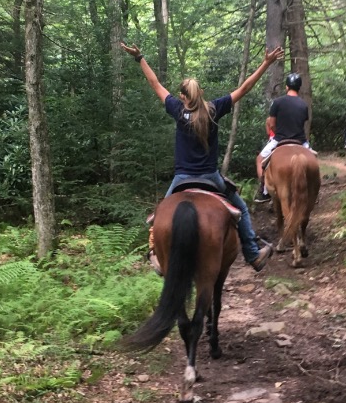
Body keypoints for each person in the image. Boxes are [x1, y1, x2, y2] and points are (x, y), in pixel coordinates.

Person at [120, 41, 285, 272]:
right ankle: (252, 254)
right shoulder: (214, 109)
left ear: (182, 96)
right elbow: (245, 87)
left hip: (181, 179)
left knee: (159, 216)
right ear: (202, 93)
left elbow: (154, 83)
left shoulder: (177, 110)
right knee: (243, 210)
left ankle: (156, 253)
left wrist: (139, 58)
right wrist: (266, 63)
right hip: (211, 177)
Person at [254, 72, 311, 203]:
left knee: (260, 159)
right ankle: (312, 190)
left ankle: (264, 190)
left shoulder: (277, 102)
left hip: (280, 139)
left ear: (286, 87)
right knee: (313, 159)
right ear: (299, 88)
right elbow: (302, 123)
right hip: (300, 141)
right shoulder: (303, 105)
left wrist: (278, 132)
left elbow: (272, 124)